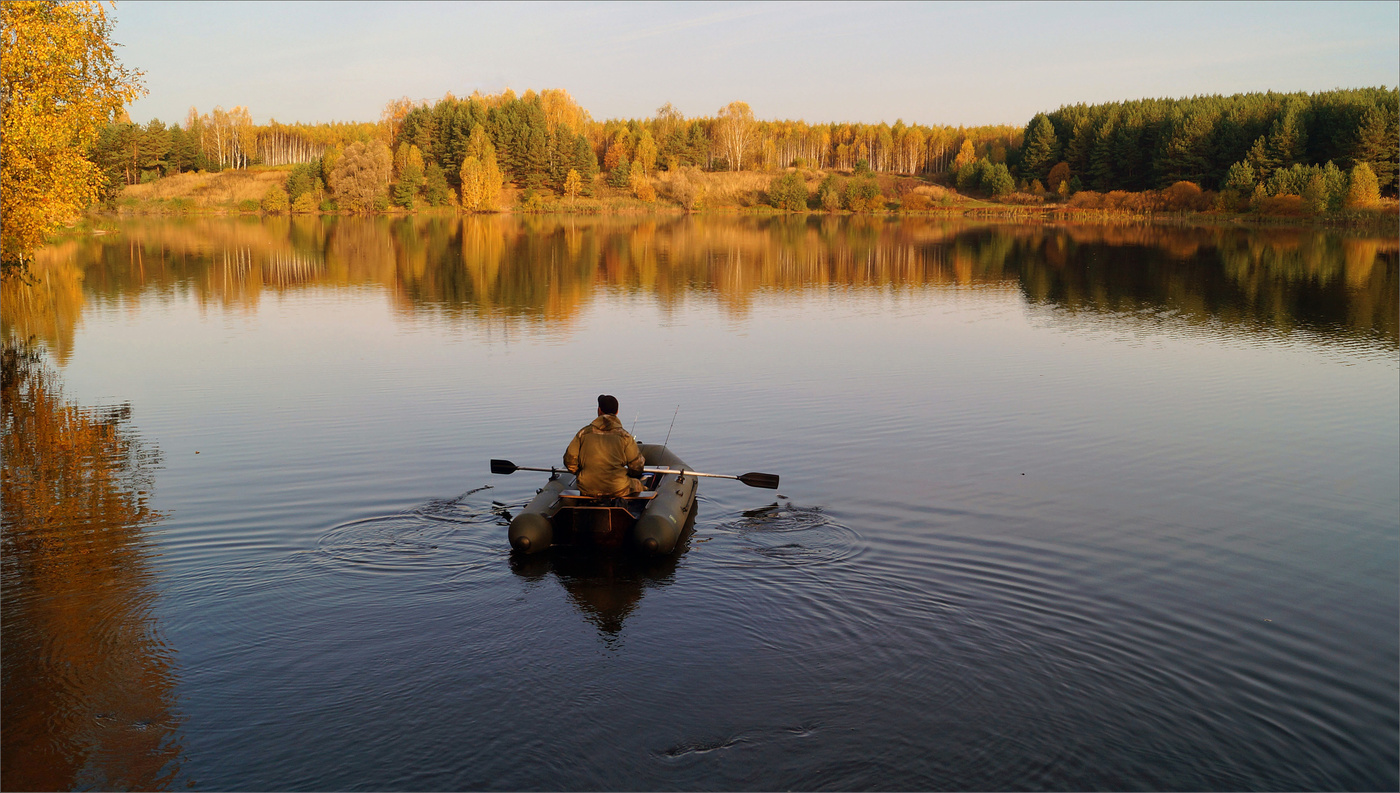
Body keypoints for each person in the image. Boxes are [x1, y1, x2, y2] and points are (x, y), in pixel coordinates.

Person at [564, 394, 646, 497]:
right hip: (618, 488)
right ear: (617, 412)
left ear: (599, 410)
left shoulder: (583, 433)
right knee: (638, 485)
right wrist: (628, 473)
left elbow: (569, 461)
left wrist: (581, 473)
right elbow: (637, 467)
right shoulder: (625, 436)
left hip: (587, 487)